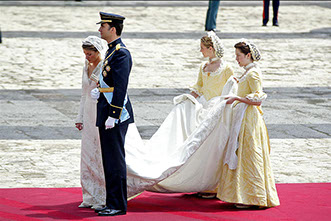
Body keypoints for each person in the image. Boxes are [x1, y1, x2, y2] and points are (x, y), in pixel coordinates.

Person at [217, 40, 280, 208]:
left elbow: (258, 99)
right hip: (243, 116)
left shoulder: (253, 74)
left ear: (248, 55)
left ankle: (252, 196)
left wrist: (237, 98)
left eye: (238, 55)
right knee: (242, 153)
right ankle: (244, 194)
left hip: (249, 118)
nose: (236, 59)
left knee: (249, 154)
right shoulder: (247, 72)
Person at [90, 12, 134, 217]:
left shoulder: (121, 53)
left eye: (103, 26)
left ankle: (117, 204)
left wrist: (114, 114)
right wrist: (98, 90)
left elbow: (121, 87)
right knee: (108, 159)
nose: (100, 29)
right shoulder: (112, 50)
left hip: (114, 114)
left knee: (115, 160)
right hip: (105, 109)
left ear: (113, 29)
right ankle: (111, 201)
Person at [75, 36, 107, 210]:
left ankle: (102, 196)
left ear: (98, 52)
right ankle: (89, 195)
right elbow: (83, 92)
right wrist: (79, 117)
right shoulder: (86, 65)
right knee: (87, 154)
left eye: (90, 54)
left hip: (100, 111)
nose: (87, 57)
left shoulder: (104, 66)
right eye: (85, 54)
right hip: (88, 111)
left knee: (100, 154)